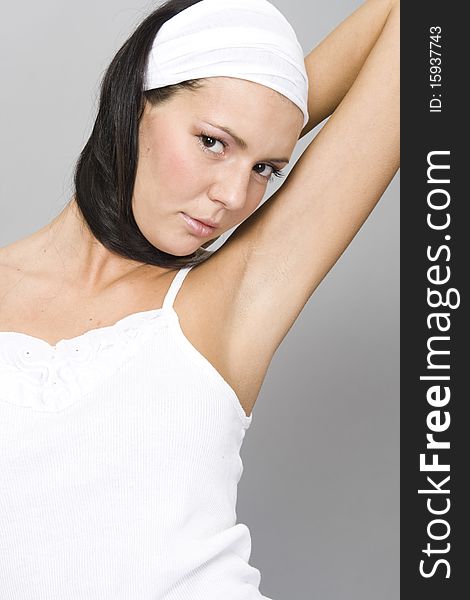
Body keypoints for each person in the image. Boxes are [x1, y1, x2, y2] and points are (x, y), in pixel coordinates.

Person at [0, 0, 399, 597]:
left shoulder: (227, 302)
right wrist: (253, 96)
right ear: (133, 105)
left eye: (266, 166)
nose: (236, 195)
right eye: (213, 142)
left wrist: (265, 99)